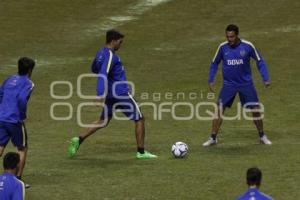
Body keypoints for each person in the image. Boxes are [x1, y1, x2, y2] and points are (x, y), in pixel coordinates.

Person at [68, 30, 157, 159]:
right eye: (120, 42)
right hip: (121, 93)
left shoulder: (100, 52)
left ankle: (78, 139)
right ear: (113, 41)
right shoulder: (110, 55)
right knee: (140, 119)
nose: (120, 45)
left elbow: (94, 68)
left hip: (111, 95)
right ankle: (141, 152)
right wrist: (99, 94)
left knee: (103, 121)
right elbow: (102, 73)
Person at [203, 24, 272, 147]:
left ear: (237, 35)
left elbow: (260, 60)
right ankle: (213, 138)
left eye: (232, 37)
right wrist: (211, 79)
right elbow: (214, 63)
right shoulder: (222, 47)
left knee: (255, 110)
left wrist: (265, 77)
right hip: (228, 84)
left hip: (246, 84)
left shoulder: (248, 46)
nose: (229, 39)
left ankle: (262, 136)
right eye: (227, 36)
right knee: (218, 109)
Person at [0, 57, 35, 187]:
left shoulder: (9, 79)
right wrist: (22, 115)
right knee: (22, 148)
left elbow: (0, 94)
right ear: (30, 70)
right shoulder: (28, 83)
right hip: (14, 120)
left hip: (1, 117)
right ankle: (18, 180)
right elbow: (21, 99)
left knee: (0, 146)